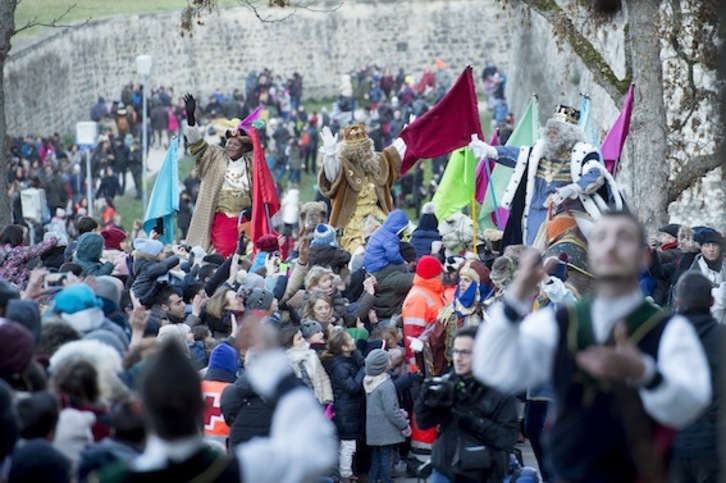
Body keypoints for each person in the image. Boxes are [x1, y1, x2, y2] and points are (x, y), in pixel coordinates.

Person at [473, 211, 712, 482]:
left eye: (623, 238)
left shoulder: (669, 330)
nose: (610, 245)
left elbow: (691, 405)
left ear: (642, 257)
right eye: (601, 238)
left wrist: (644, 373)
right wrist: (516, 300)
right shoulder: (558, 324)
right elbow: (492, 370)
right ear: (590, 254)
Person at [94, 335, 337, 482]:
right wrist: (277, 375)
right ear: (201, 405)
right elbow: (317, 450)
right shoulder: (244, 469)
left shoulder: (108, 477)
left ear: (140, 408)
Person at [469, 105, 622, 248]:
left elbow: (595, 174)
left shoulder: (583, 152)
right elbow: (516, 155)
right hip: (536, 213)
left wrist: (572, 188)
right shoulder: (539, 150)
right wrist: (490, 150)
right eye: (550, 130)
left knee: (602, 246)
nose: (551, 135)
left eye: (557, 131)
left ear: (569, 135)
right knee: (530, 253)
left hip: (570, 212)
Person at [415, 326, 518, 483]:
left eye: (465, 352)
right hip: (445, 471)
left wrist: (471, 421)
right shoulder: (448, 385)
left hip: (484, 474)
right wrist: (425, 399)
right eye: (455, 351)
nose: (458, 358)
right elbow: (423, 423)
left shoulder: (499, 391)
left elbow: (507, 439)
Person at [182, 94, 257, 257]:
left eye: (235, 144)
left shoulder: (251, 165)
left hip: (245, 220)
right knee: (223, 253)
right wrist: (190, 119)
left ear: (243, 148)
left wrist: (254, 207)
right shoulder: (215, 156)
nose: (230, 146)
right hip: (221, 217)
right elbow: (196, 145)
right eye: (229, 142)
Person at [668, 272, 723, 483]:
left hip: (675, 443)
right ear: (712, 301)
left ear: (678, 301)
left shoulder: (664, 338)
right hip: (715, 445)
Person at [318, 124, 407, 253]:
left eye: (368, 148)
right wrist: (330, 154)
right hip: (353, 219)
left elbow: (393, 155)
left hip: (376, 215)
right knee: (358, 248)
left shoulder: (375, 163)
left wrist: (407, 134)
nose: (368, 152)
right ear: (354, 153)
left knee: (395, 241)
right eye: (364, 150)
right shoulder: (343, 167)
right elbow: (332, 174)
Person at [321, 329, 367, 483]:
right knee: (348, 445)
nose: (353, 340)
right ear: (344, 348)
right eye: (350, 340)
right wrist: (364, 370)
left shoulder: (349, 358)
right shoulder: (339, 366)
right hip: (345, 411)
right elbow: (352, 387)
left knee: (348, 444)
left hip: (350, 409)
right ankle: (346, 474)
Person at [364, 349, 410, 483]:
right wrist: (404, 424)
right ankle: (386, 480)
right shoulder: (386, 385)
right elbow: (391, 410)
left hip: (374, 427)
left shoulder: (368, 381)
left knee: (376, 455)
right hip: (386, 429)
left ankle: (373, 479)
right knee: (386, 457)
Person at [402, 255, 446, 366]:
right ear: (436, 275)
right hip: (427, 361)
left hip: (435, 354)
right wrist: (414, 367)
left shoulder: (432, 291)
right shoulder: (418, 299)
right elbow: (412, 338)